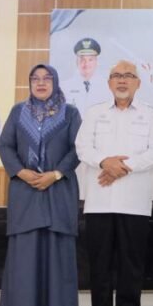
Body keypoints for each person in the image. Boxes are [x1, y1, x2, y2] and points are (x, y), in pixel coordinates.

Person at [75, 61, 153, 306]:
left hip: (135, 201)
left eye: (128, 76)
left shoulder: (151, 114)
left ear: (138, 83)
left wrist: (123, 167)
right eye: (116, 76)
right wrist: (105, 162)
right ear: (109, 82)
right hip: (99, 200)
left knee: (131, 261)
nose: (122, 80)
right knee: (99, 260)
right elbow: (82, 147)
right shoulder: (94, 113)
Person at [0, 64, 82, 306]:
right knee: (25, 252)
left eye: (47, 78)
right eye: (35, 78)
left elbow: (77, 149)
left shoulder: (70, 113)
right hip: (25, 189)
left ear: (55, 82)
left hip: (58, 188)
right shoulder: (18, 111)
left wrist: (55, 174)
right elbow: (5, 145)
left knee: (57, 249)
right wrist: (21, 172)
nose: (41, 83)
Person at [60, 38, 110, 202]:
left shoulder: (107, 88)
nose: (85, 63)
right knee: (73, 195)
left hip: (100, 149)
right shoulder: (63, 88)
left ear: (96, 61)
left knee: (97, 195)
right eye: (82, 59)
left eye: (90, 59)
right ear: (76, 61)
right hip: (71, 149)